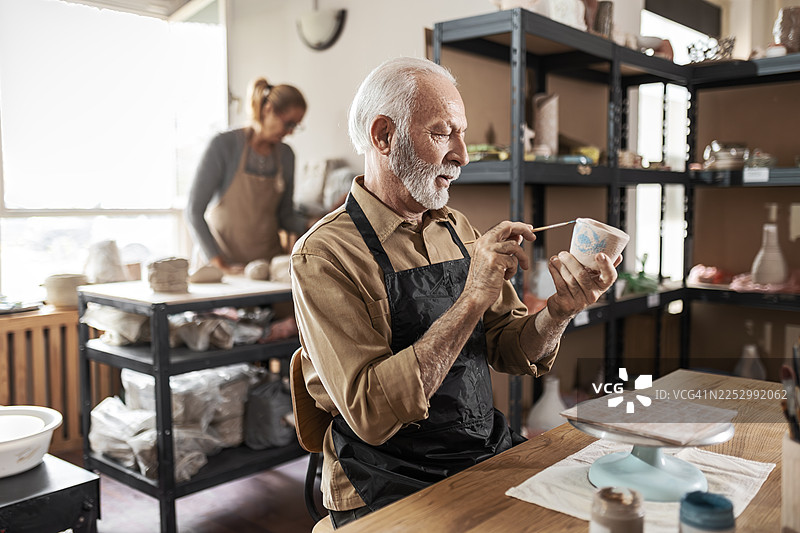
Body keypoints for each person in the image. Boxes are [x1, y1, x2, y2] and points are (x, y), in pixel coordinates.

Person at [290, 57, 620, 529]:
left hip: (478, 451)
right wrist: (472, 297)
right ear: (384, 136)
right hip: (385, 477)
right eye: (444, 133)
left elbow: (507, 348)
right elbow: (371, 413)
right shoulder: (323, 255)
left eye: (461, 134)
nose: (463, 155)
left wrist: (559, 313)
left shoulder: (456, 228)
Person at [186, 77, 308, 275]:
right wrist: (219, 264)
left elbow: (285, 216)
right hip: (223, 269)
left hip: (266, 268)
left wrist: (311, 223)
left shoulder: (286, 155)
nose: (290, 132)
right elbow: (193, 212)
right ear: (268, 109)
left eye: (296, 126)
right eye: (289, 124)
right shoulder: (224, 146)